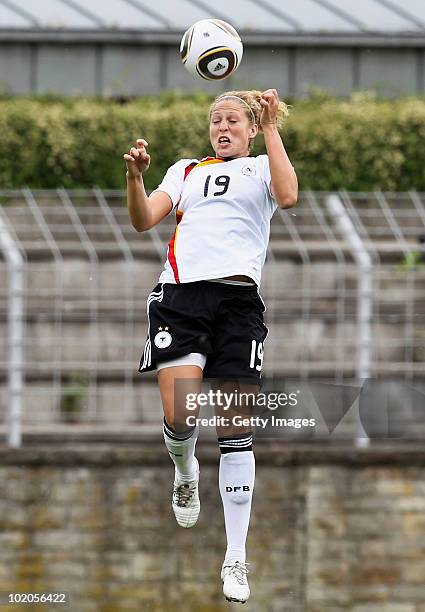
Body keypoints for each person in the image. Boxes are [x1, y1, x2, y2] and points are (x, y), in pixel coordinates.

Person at [124, 89, 297, 604]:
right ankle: (184, 468)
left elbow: (288, 196)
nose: (222, 127)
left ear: (249, 127)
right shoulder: (184, 171)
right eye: (215, 120)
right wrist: (134, 177)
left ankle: (235, 557)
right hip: (182, 298)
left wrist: (271, 127)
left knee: (236, 425)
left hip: (239, 303)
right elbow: (142, 219)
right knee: (181, 411)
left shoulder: (264, 165)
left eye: (233, 120)